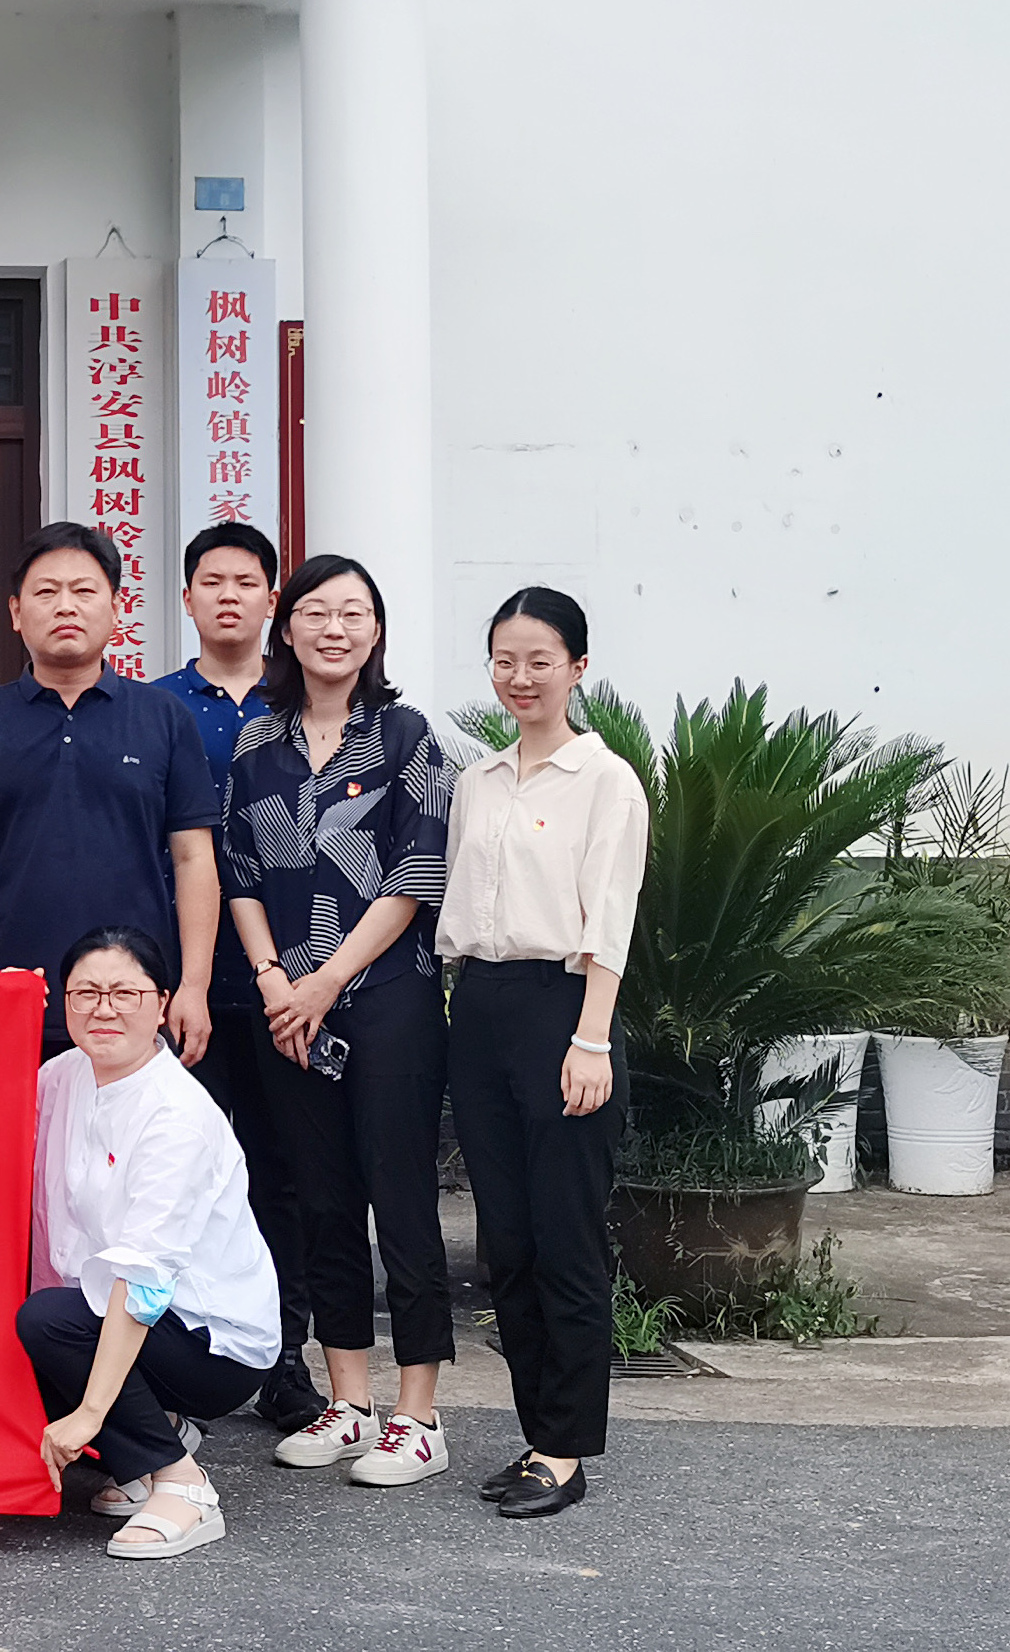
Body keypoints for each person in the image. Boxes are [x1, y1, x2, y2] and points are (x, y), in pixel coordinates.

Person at [219, 554, 460, 1490]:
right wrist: (275, 980)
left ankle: (418, 1415)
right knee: (320, 1202)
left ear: (375, 631)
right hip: (285, 1008)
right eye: (316, 612)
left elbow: (416, 875)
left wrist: (323, 982)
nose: (334, 628)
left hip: (388, 998)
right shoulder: (256, 745)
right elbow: (239, 873)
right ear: (286, 629)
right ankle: (348, 1400)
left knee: (398, 1198)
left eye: (353, 613)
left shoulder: (406, 739)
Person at [439, 587, 646, 1519]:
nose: (519, 678)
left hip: (564, 1010)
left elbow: (609, 921)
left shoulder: (605, 781)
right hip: (479, 1008)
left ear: (576, 668)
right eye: (504, 661)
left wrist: (590, 1039)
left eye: (539, 661)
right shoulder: (478, 781)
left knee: (565, 1239)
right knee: (508, 1243)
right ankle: (537, 1436)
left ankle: (565, 1450)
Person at [19, 924, 283, 1561]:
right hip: (117, 1311)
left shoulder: (175, 1116)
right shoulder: (63, 1076)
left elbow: (145, 1283)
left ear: (162, 1003)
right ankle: (156, 1435)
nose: (103, 1009)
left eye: (124, 993)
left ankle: (181, 1483)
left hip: (212, 1341)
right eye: (85, 993)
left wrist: (89, 1416)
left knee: (50, 1322)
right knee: (20, 1332)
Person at [0, 522, 221, 1057]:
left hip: (131, 999)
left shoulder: (164, 718)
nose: (66, 607)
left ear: (116, 608)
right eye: (46, 592)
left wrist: (193, 987)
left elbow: (193, 858)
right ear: (16, 612)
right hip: (4, 996)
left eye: (83, 590)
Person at [150, 523, 319, 1433]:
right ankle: (179, 1360)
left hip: (291, 981)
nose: (227, 596)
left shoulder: (307, 700)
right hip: (185, 983)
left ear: (270, 600)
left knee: (282, 1173)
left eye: (245, 582)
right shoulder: (154, 707)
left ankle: (284, 1356)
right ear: (185, 599)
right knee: (178, 1174)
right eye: (210, 581)